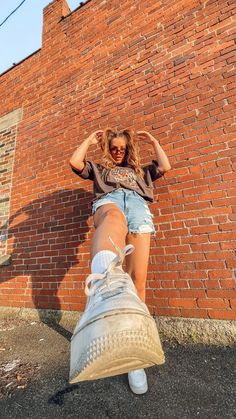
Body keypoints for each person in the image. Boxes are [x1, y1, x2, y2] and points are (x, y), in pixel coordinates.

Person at [69, 128, 171, 394]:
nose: (117, 151)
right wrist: (90, 139)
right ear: (108, 148)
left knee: (138, 283)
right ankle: (104, 289)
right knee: (113, 219)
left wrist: (153, 140)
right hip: (110, 201)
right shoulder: (101, 170)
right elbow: (75, 163)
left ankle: (133, 358)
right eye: (113, 147)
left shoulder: (141, 173)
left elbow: (165, 165)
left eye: (122, 148)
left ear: (128, 149)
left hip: (139, 207)